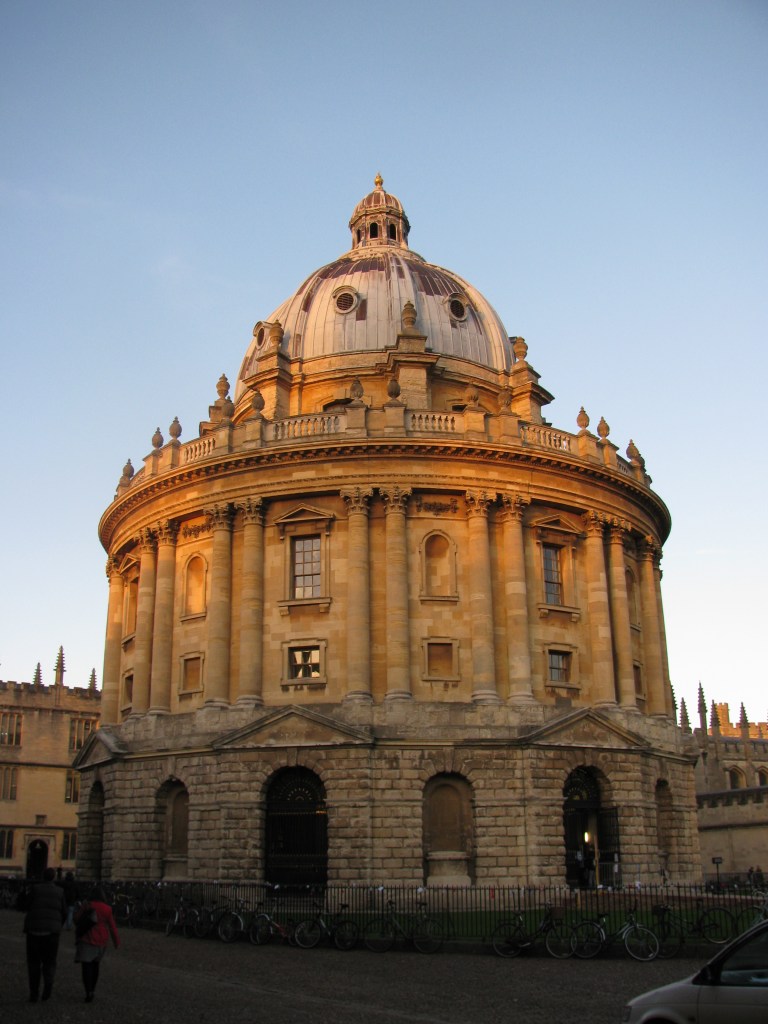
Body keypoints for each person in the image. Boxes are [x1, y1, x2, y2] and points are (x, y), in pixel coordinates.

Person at [23, 866, 67, 1002]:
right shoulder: (60, 891)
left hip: (34, 931)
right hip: (52, 933)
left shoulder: (35, 889)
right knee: (49, 962)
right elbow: (64, 912)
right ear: (54, 877)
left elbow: (25, 905)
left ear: (43, 877)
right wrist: (58, 925)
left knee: (34, 964)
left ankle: (34, 993)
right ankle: (48, 985)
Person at [74, 886, 120, 1003]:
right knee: (95, 965)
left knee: (86, 967)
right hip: (101, 939)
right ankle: (92, 989)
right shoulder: (107, 908)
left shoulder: (87, 905)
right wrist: (116, 941)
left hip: (87, 938)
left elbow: (77, 918)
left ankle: (88, 991)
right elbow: (112, 926)